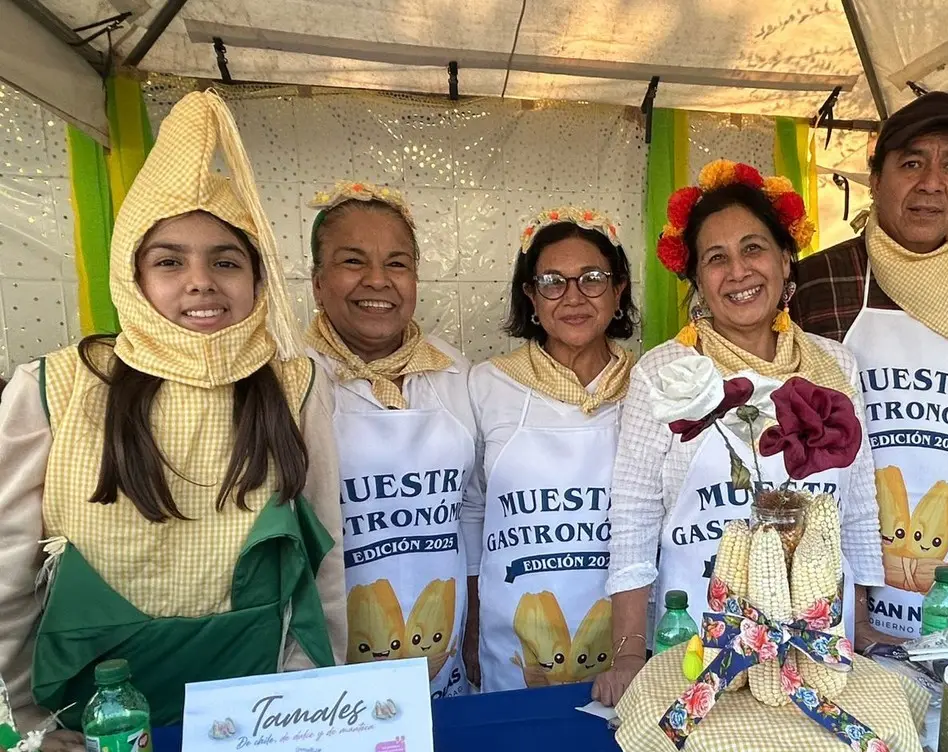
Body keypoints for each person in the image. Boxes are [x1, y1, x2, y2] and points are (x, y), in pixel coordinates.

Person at [0, 91, 346, 752]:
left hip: (255, 712)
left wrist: (312, 704)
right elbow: (7, 578)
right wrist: (22, 731)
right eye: (169, 262)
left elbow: (320, 564)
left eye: (225, 260)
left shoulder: (295, 386)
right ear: (132, 275)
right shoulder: (57, 386)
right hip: (98, 731)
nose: (200, 283)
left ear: (256, 277)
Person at [599, 160, 883, 706]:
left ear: (784, 258)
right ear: (697, 280)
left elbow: (861, 505)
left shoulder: (836, 365)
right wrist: (630, 652)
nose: (738, 271)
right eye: (716, 258)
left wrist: (861, 624)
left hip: (818, 644)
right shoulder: (664, 372)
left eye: (753, 248)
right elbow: (633, 516)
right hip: (700, 651)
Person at [792, 92, 948, 641]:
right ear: (876, 175)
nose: (932, 184)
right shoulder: (819, 281)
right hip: (838, 574)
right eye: (912, 162)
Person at [306, 182, 478, 699]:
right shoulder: (289, 379)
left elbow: (472, 509)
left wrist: (471, 633)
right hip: (328, 652)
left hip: (439, 641)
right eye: (353, 261)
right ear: (317, 282)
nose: (377, 280)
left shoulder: (455, 373)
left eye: (397, 263)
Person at [463, 208, 636, 692]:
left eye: (593, 279)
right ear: (531, 298)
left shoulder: (652, 388)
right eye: (553, 282)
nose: (574, 297)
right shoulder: (487, 385)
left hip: (626, 650)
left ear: (618, 289)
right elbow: (471, 509)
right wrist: (471, 624)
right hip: (511, 646)